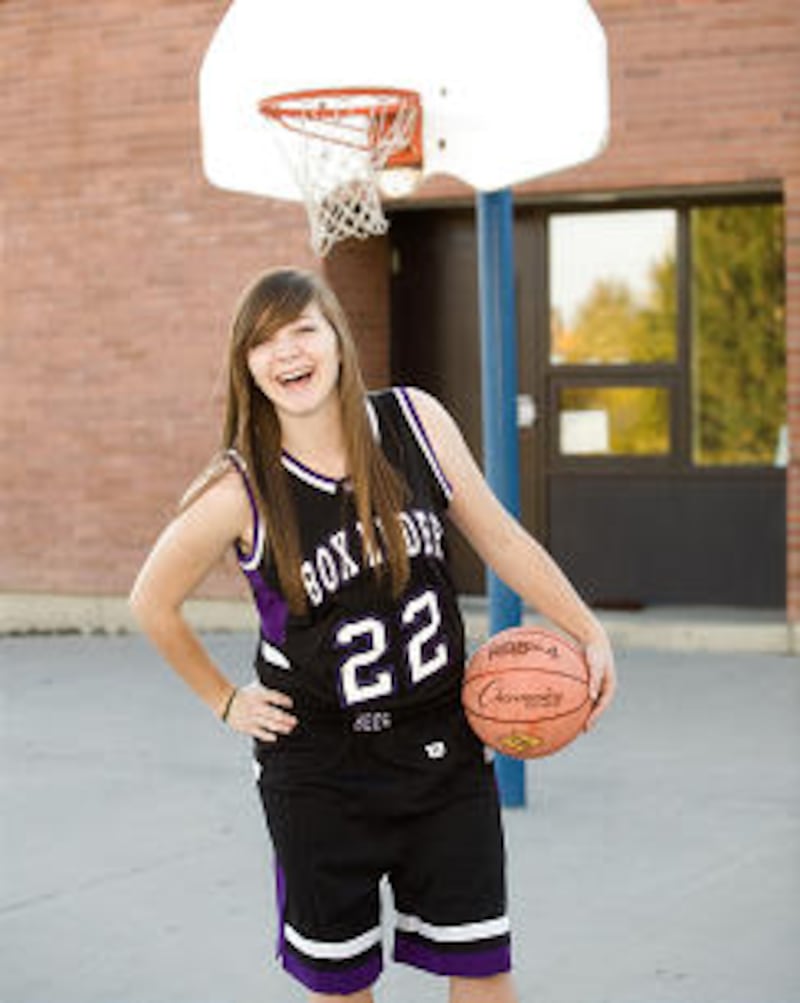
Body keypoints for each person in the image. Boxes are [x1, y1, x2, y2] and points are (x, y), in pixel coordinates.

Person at [130, 267, 616, 1003]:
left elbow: (502, 539)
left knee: (484, 968)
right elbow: (152, 600)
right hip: (321, 767)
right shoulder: (240, 488)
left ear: (337, 340)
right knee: (343, 986)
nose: (287, 352)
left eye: (303, 330)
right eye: (264, 341)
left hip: (443, 743)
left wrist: (586, 629)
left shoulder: (413, 422)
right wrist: (225, 700)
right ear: (245, 364)